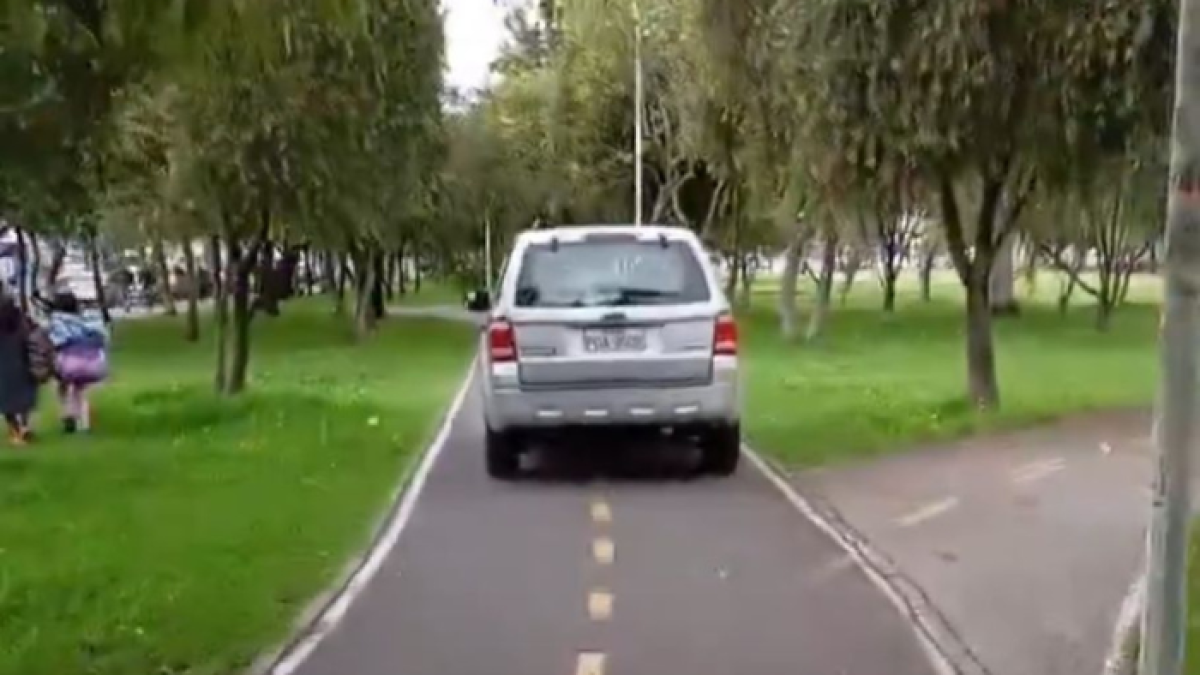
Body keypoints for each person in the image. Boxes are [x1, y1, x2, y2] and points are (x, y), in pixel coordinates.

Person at [47, 291, 109, 433]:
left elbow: (57, 341)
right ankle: (85, 425)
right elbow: (102, 339)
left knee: (61, 386)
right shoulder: (89, 320)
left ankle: (68, 414)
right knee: (81, 392)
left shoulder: (57, 321)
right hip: (92, 363)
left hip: (68, 363)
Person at [0, 296, 38, 444]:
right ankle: (24, 425)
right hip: (22, 365)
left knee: (6, 402)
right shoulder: (22, 325)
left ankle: (15, 431)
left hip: (3, 368)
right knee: (24, 399)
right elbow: (29, 340)